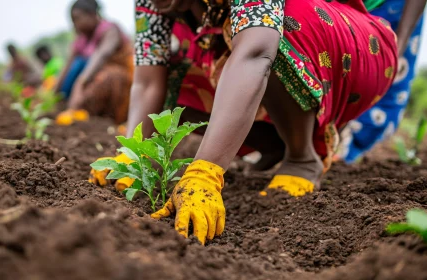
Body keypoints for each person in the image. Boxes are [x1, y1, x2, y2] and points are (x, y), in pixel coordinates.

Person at [90, 0, 397, 244]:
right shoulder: (155, 2)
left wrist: (204, 174)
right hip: (260, 51)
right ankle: (275, 140)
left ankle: (302, 158)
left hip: (353, 46)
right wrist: (132, 156)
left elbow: (256, 54)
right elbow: (147, 80)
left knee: (280, 24)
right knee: (176, 66)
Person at [339, 0, 427, 163]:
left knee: (384, 95)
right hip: (338, 10)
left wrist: (400, 43)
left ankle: (342, 155)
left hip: (394, 12)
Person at [55, 0, 133, 126]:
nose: (75, 25)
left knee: (104, 79)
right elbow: (67, 67)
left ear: (92, 14)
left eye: (77, 19)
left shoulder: (110, 30)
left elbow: (101, 55)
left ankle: (112, 121)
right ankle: (86, 118)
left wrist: (81, 83)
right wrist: (54, 94)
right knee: (80, 69)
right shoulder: (82, 39)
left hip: (125, 79)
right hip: (96, 76)